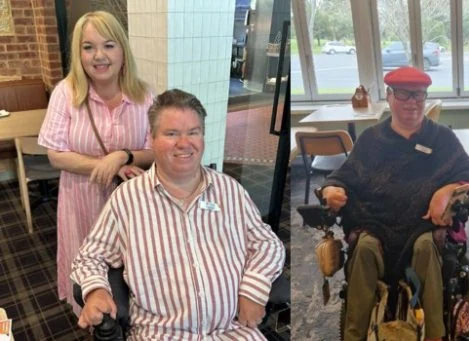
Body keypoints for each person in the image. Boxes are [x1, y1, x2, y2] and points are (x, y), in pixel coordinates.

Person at [71, 89, 286, 339]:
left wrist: (253, 290)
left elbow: (268, 243)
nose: (184, 144)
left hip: (232, 329)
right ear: (151, 138)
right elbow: (89, 257)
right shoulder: (127, 200)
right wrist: (96, 291)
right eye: (171, 134)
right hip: (160, 334)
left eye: (193, 132)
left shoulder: (230, 190)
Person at [318, 66, 469, 341]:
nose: (412, 102)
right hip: (378, 225)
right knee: (365, 250)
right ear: (390, 96)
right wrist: (332, 189)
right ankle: (353, 335)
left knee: (425, 248)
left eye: (419, 95)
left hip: (423, 228)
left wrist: (447, 189)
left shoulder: (442, 138)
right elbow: (342, 176)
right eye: (404, 95)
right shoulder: (371, 139)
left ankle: (435, 334)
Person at [37, 11, 154, 313]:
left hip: (131, 200)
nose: (99, 56)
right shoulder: (67, 93)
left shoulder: (144, 94)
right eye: (88, 47)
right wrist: (104, 166)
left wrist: (122, 156)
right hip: (82, 197)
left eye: (109, 45)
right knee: (89, 270)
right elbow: (55, 153)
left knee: (133, 266)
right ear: (79, 53)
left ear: (122, 50)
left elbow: (154, 149)